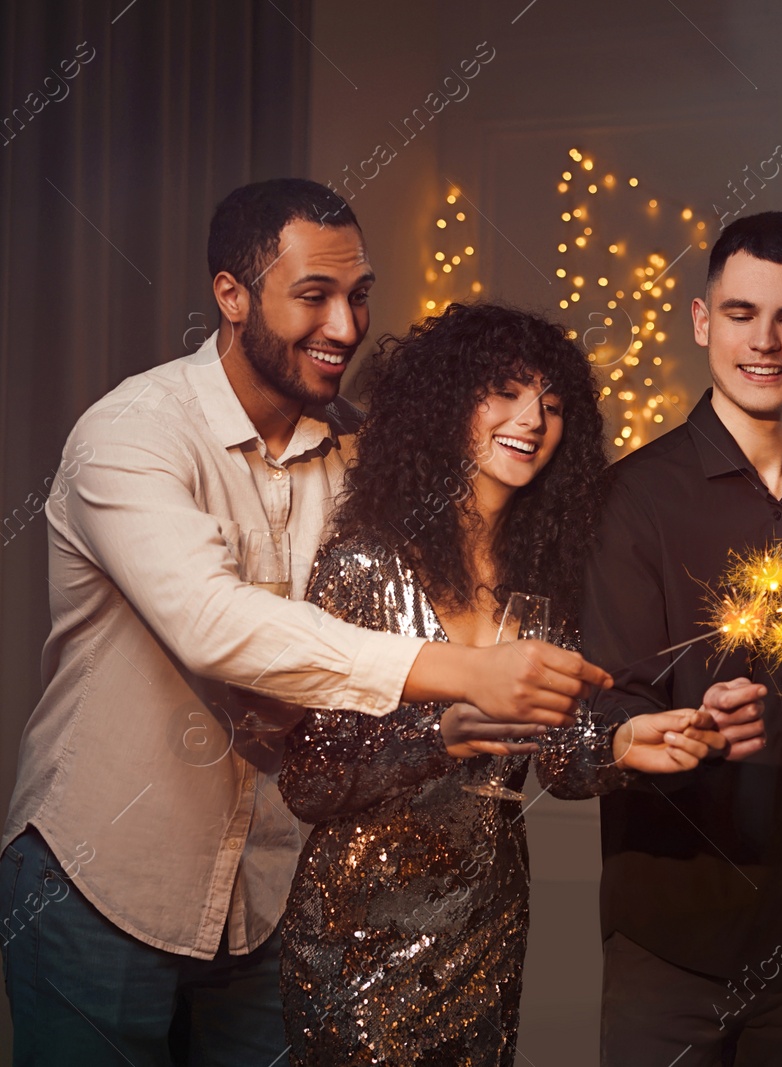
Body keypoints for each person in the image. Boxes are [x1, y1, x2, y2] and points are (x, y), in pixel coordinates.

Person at [0, 180, 605, 1066]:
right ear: (232, 295)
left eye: (359, 296)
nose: (347, 327)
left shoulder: (368, 455)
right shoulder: (133, 433)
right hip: (103, 883)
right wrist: (459, 671)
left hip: (274, 899)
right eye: (313, 296)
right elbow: (214, 623)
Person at [274, 302, 752, 1065]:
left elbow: (560, 757)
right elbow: (307, 776)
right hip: (356, 937)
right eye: (503, 391)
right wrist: (441, 735)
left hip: (486, 936)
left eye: (553, 405)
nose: (531, 419)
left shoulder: (548, 584)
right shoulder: (365, 563)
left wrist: (631, 740)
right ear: (446, 402)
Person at [582, 211, 782, 1065]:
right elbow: (597, 717)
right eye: (742, 314)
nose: (766, 342)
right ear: (704, 322)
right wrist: (673, 729)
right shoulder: (631, 499)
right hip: (669, 936)